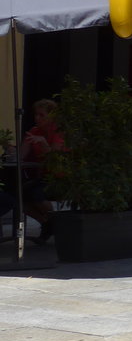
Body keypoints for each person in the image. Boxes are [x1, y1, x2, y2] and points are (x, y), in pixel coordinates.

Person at [20, 98, 65, 243]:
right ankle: (48, 223)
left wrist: (44, 143)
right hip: (44, 177)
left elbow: (55, 159)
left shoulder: (59, 132)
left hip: (61, 177)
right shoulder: (34, 131)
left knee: (36, 193)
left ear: (51, 116)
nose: (37, 118)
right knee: (18, 197)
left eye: (41, 115)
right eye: (36, 115)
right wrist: (11, 149)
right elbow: (21, 156)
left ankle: (53, 222)